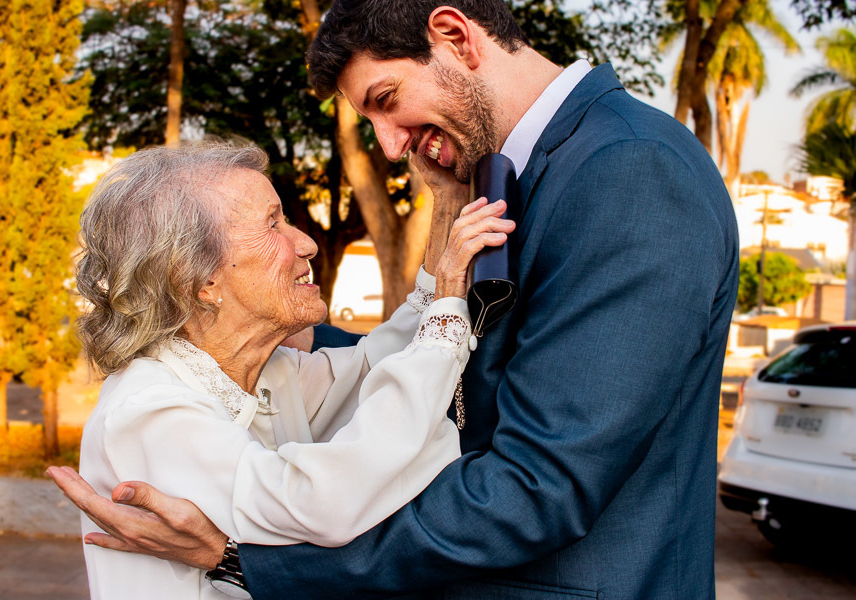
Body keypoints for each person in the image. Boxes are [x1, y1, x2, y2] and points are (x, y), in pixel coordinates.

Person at [50, 1, 740, 598]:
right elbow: (387, 373)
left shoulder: (630, 173)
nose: (388, 144)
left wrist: (242, 563)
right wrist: (442, 269)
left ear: (455, 36)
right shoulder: (523, 176)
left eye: (385, 100)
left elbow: (538, 486)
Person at [61, 141, 515, 599]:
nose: (307, 243)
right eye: (273, 224)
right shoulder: (149, 412)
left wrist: (448, 205)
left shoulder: (268, 374)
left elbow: (377, 365)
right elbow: (322, 502)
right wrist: (450, 300)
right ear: (199, 280)